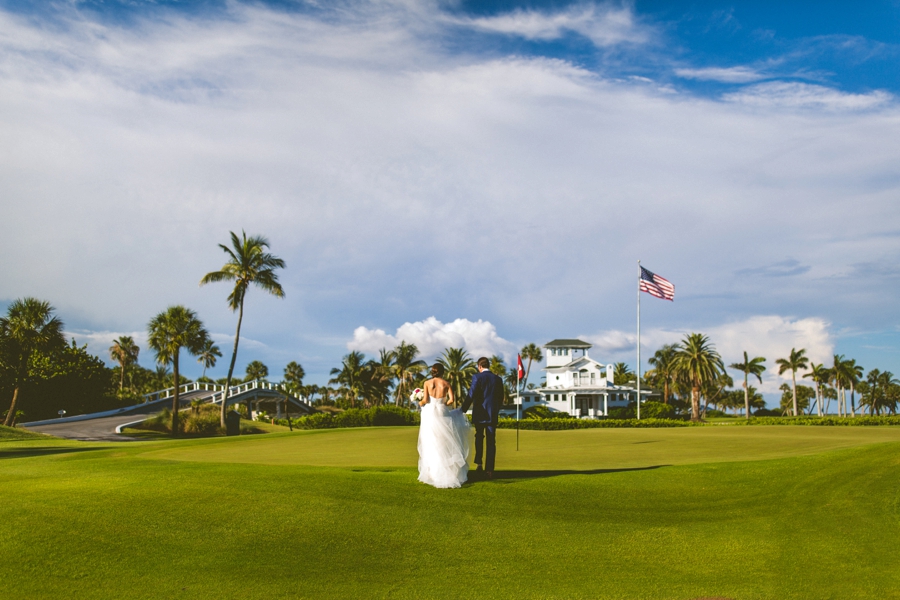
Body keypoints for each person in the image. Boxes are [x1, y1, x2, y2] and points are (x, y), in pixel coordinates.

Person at [417, 362, 471, 488]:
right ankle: (447, 472)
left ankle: (434, 473)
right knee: (444, 440)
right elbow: (451, 400)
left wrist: (420, 402)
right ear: (442, 372)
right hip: (442, 411)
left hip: (430, 412)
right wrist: (443, 404)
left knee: (432, 441)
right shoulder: (446, 384)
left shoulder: (427, 383)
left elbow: (425, 400)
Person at [459, 356, 503, 480]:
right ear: (488, 365)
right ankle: (490, 470)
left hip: (480, 414)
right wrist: (495, 409)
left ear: (479, 366)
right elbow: (501, 398)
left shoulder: (477, 377)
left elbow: (471, 394)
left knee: (479, 437)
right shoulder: (498, 379)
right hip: (492, 414)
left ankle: (479, 464)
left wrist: (462, 410)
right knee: (491, 442)